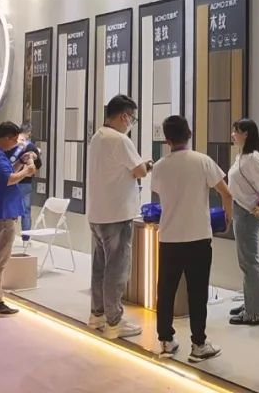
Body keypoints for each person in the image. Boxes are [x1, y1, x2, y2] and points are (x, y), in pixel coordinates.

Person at [149, 115, 232, 361]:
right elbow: (225, 192)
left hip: (169, 238)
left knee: (166, 291)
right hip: (198, 237)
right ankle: (199, 344)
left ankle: (166, 340)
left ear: (167, 140)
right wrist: (228, 216)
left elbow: (160, 193)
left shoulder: (160, 166)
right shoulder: (202, 161)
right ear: (189, 134)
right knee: (197, 292)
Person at [86, 95, 150, 340]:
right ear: (124, 116)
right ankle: (114, 322)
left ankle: (97, 315)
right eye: (132, 118)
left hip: (98, 214)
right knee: (116, 269)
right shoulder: (120, 140)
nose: (131, 123)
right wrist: (148, 165)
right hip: (117, 214)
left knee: (100, 267)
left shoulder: (98, 137)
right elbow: (139, 171)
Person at [0, 121, 36, 318]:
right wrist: (27, 171)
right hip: (2, 213)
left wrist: (19, 164)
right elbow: (8, 179)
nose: (15, 144)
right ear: (7, 138)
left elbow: (5, 172)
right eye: (14, 140)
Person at [227, 118, 259, 326]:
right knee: (246, 261)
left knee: (249, 261)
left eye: (236, 131)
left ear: (246, 134)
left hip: (248, 213)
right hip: (241, 210)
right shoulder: (242, 156)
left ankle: (255, 311)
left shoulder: (253, 158)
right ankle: (251, 302)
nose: (233, 135)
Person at [7, 123, 42, 244]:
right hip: (25, 182)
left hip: (11, 180)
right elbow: (38, 164)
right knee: (26, 211)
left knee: (11, 209)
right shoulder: (30, 146)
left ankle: (8, 237)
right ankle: (26, 240)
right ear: (29, 133)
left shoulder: (12, 144)